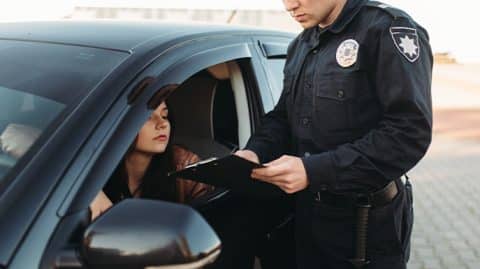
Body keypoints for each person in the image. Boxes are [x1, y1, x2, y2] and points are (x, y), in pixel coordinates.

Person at [236, 0, 432, 268]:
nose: (290, 5)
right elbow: (283, 117)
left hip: (364, 227)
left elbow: (409, 133)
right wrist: (254, 151)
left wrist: (314, 170)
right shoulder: (301, 45)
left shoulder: (386, 29)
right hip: (307, 217)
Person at [90, 101, 213, 220]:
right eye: (147, 117)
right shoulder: (94, 169)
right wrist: (93, 194)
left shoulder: (185, 165)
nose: (162, 123)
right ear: (121, 124)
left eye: (164, 116)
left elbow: (208, 220)